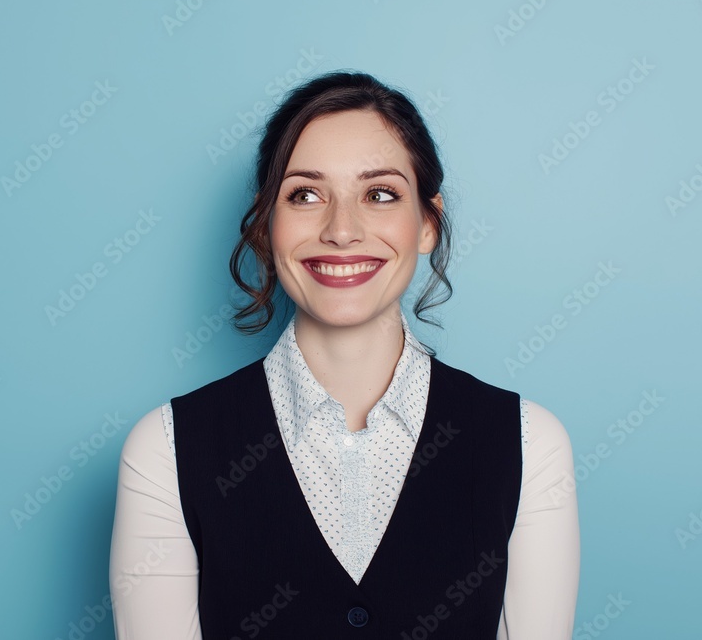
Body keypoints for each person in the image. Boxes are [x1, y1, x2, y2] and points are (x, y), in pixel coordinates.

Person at [108, 71, 579, 638]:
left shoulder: (529, 442)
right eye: (305, 194)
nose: (342, 230)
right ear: (265, 224)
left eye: (380, 194)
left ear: (428, 222)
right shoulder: (166, 446)